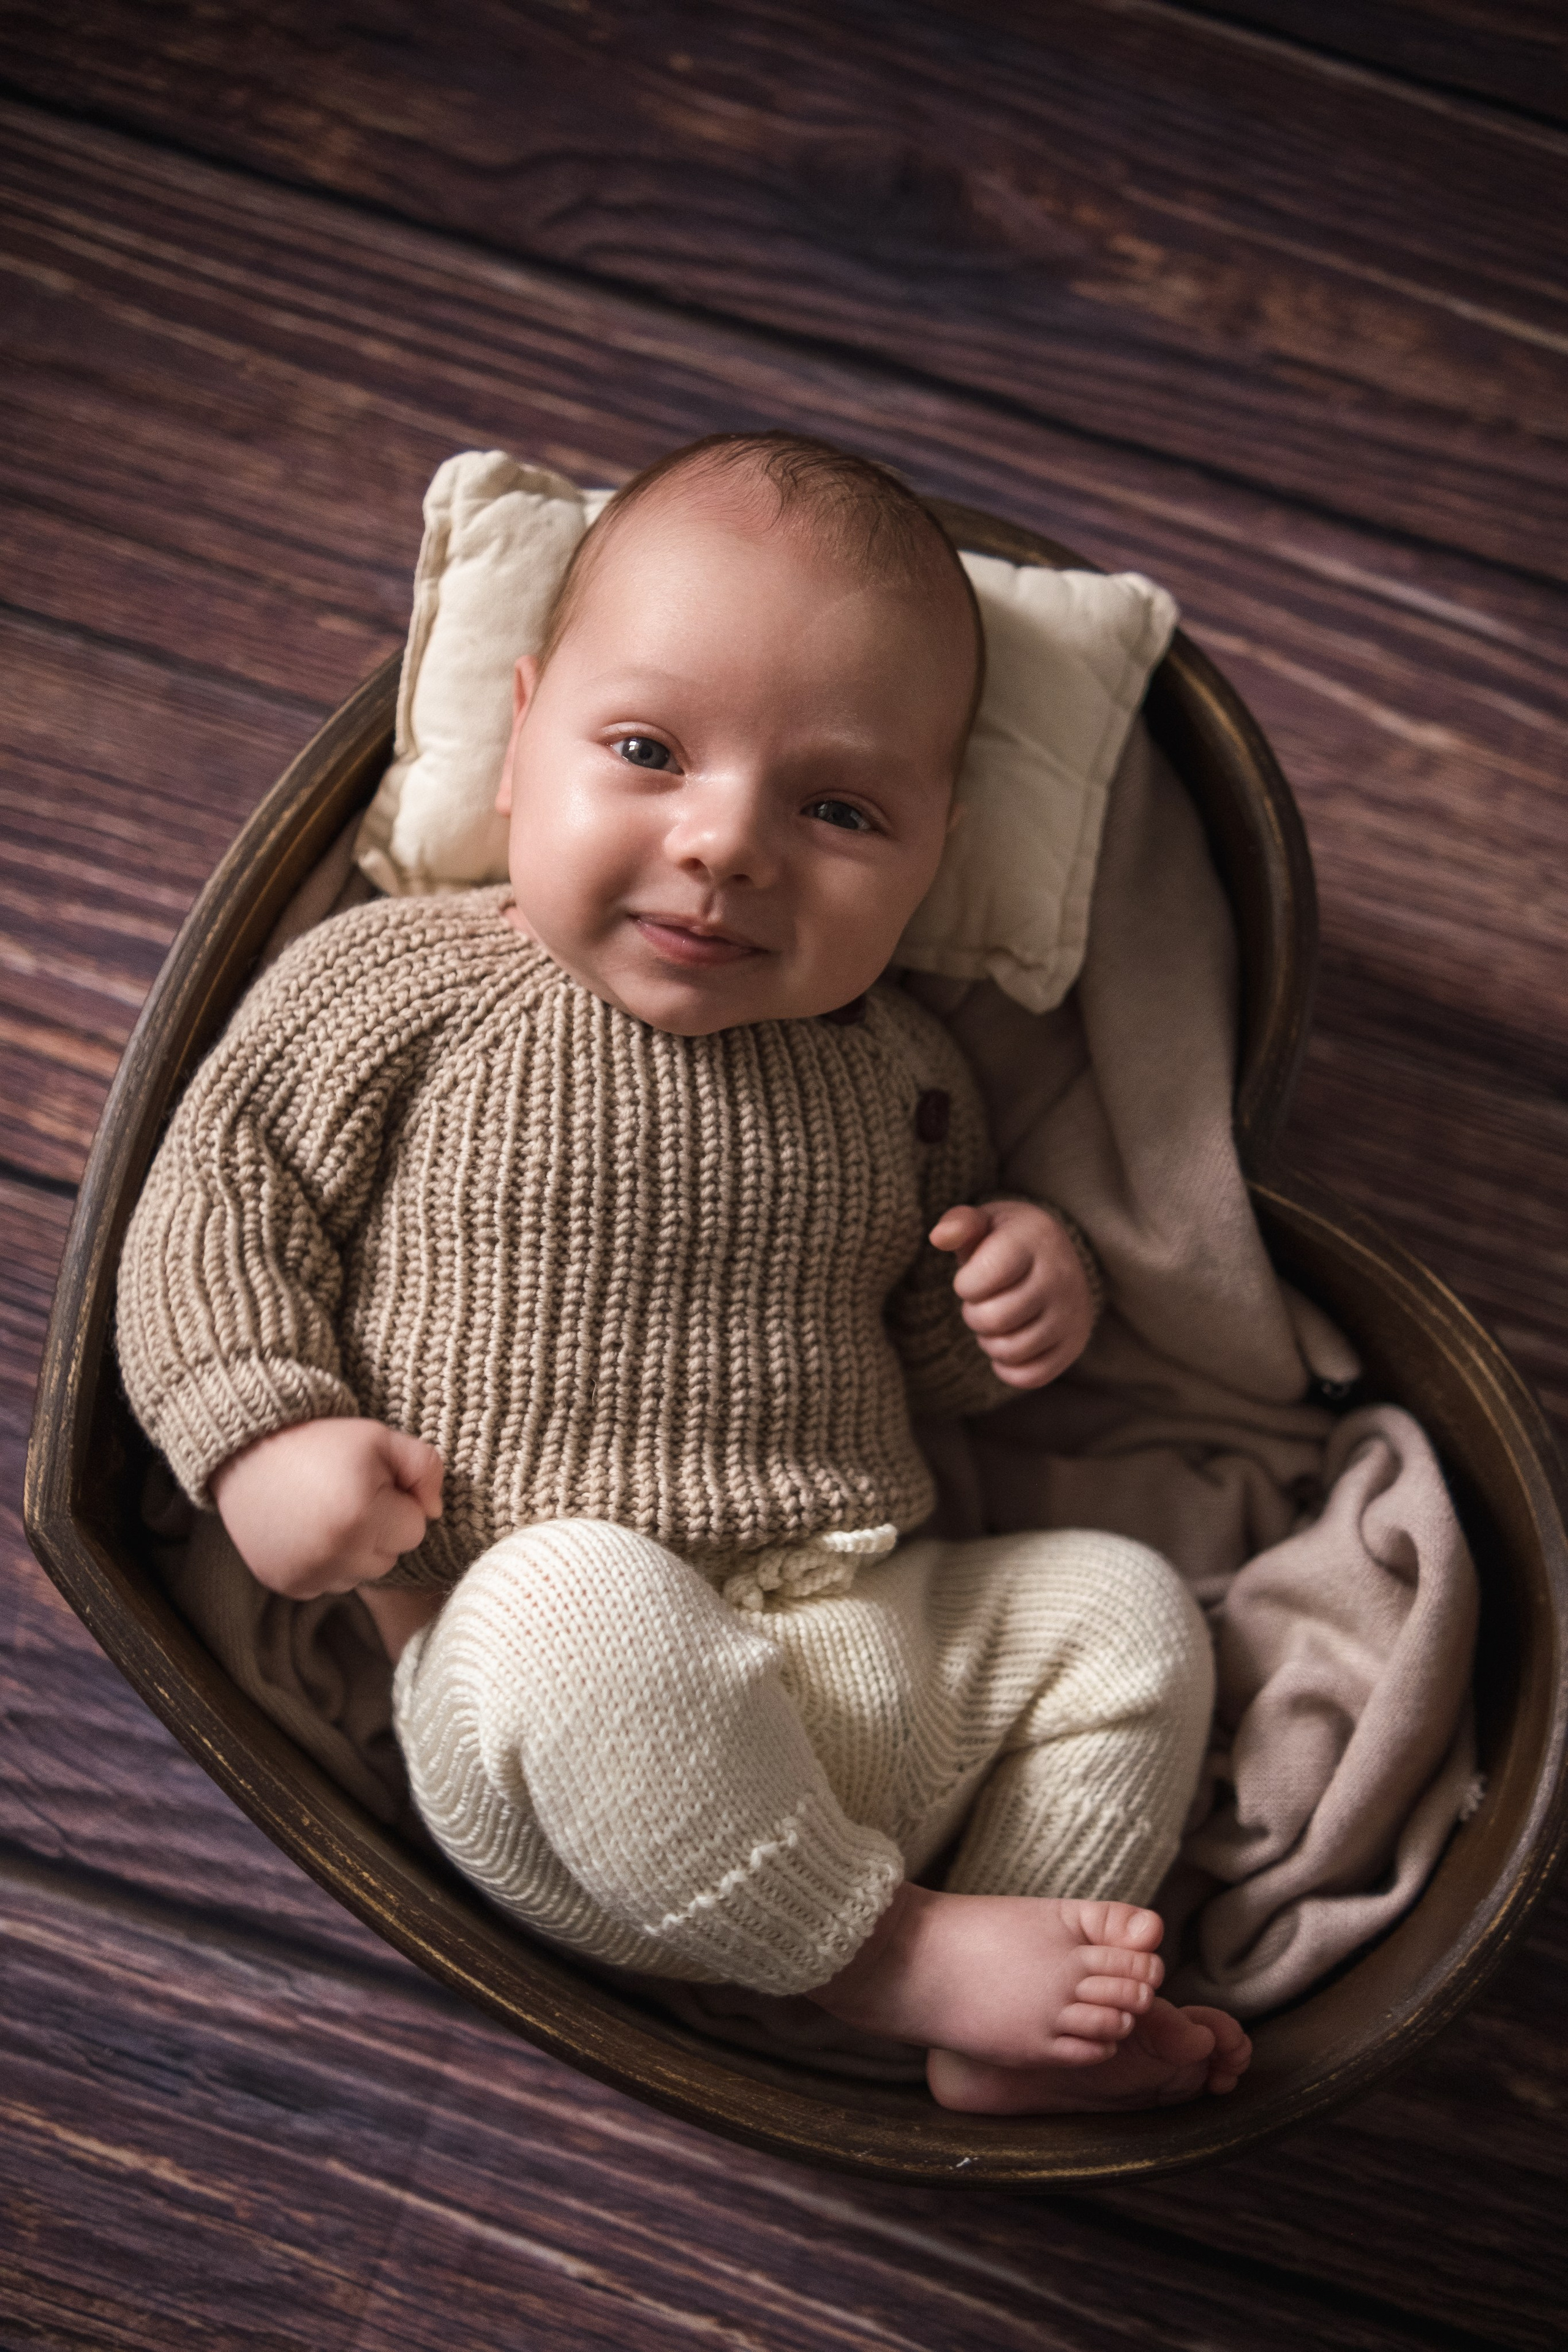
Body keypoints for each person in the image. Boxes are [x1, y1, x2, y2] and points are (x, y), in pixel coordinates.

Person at [118, 431, 1251, 2113]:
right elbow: (214, 1208)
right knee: (577, 1594)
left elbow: (918, 1342)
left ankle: (1014, 2018)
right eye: (646, 749)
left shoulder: (906, 1074)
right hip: (552, 1718)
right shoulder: (399, 986)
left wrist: (1021, 1288)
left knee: (1122, 1611)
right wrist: (261, 1435)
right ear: (517, 752)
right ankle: (898, 1963)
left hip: (868, 1652)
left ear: (937, 851)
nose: (728, 843)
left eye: (841, 808)